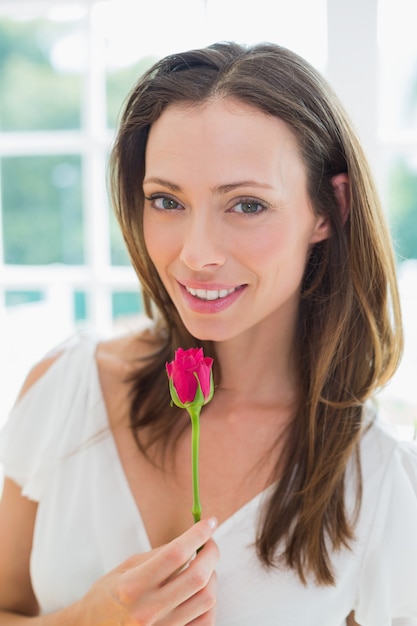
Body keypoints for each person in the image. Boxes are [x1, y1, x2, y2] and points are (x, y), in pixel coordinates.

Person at [0, 41, 416, 626]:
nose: (196, 255)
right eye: (166, 200)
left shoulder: (378, 483)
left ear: (329, 209)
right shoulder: (66, 392)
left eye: (246, 205)